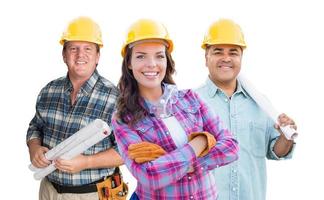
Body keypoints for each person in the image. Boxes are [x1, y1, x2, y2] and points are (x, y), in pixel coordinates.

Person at [111, 19, 239, 200]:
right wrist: (200, 142)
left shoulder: (191, 99)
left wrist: (179, 163)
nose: (151, 64)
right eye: (141, 56)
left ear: (167, 60)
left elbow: (231, 146)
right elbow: (151, 177)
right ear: (129, 63)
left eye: (159, 55)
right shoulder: (123, 118)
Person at [195, 18, 297, 200]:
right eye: (218, 52)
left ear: (241, 57)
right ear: (206, 57)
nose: (226, 58)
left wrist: (285, 137)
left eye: (233, 53)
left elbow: (276, 151)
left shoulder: (260, 104)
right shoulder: (190, 104)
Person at [26, 16, 123, 200]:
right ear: (64, 55)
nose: (80, 55)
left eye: (87, 49)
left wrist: (86, 162)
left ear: (97, 56)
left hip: (93, 194)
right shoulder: (49, 91)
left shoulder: (115, 98)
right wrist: (35, 148)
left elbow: (127, 151)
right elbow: (35, 127)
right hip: (49, 190)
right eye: (73, 49)